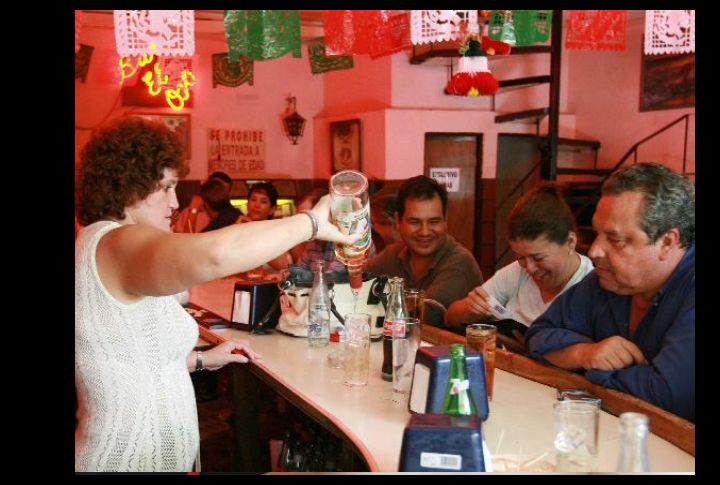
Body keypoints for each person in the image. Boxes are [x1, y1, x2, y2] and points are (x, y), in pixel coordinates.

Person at [75, 117, 355, 472]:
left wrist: (202, 360)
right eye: (166, 187)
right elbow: (215, 255)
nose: (175, 201)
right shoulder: (116, 243)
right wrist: (311, 223)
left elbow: (125, 359)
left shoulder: (103, 243)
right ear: (128, 187)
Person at [525, 163, 695, 422]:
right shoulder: (608, 279)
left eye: (615, 239)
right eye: (596, 233)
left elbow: (665, 397)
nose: (593, 251)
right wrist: (587, 354)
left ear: (667, 242)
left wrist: (583, 369)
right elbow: (537, 336)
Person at [445, 182, 594, 352]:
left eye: (538, 258)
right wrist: (471, 310)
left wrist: (531, 351)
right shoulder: (516, 272)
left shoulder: (589, 286)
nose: (529, 268)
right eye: (520, 257)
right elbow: (451, 317)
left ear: (570, 242)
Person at [365, 175, 483, 327]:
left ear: (446, 219)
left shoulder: (460, 262)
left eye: (434, 221)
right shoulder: (393, 254)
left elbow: (425, 316)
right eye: (415, 222)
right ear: (398, 221)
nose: (425, 232)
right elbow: (355, 285)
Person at [237, 182, 293, 273]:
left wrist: (254, 232)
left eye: (263, 202)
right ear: (247, 204)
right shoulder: (238, 227)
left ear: (272, 209)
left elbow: (283, 265)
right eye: (253, 200)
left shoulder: (276, 231)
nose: (257, 205)